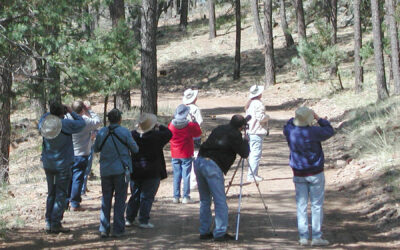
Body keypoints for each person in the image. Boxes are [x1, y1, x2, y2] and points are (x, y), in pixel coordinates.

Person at [283, 107, 334, 246]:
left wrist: (297, 117)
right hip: (316, 172)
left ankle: (303, 237)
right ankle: (317, 236)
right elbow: (330, 130)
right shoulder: (314, 132)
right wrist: (318, 118)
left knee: (301, 205)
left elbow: (287, 124)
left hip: (298, 173)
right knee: (317, 205)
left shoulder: (290, 131)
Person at [194, 115, 250, 241]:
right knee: (220, 201)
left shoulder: (220, 128)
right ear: (241, 127)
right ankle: (220, 232)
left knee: (205, 200)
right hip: (212, 166)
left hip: (200, 161)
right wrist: (246, 141)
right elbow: (245, 153)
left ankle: (204, 231)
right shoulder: (235, 135)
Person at [39, 102, 85, 234]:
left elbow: (43, 118)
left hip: (48, 163)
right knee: (61, 193)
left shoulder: (45, 122)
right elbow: (81, 123)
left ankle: (48, 221)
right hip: (63, 164)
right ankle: (55, 222)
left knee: (51, 193)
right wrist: (71, 111)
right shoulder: (65, 124)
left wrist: (51, 112)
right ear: (63, 113)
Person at [93, 108, 139, 238]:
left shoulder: (102, 132)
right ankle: (118, 229)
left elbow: (96, 148)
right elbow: (135, 149)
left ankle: (104, 228)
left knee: (106, 198)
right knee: (120, 200)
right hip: (121, 170)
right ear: (120, 119)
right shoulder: (124, 132)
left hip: (105, 171)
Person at [125, 113, 172, 229]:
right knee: (147, 196)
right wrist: (159, 126)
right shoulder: (156, 136)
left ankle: (129, 218)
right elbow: (169, 133)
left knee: (135, 195)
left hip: (135, 170)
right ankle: (143, 220)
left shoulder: (133, 135)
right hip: (152, 170)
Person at [67, 100, 101, 211]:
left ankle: (65, 202)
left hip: (69, 153)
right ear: (83, 109)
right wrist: (89, 111)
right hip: (81, 153)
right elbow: (97, 121)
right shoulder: (85, 121)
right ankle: (75, 204)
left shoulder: (67, 119)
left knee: (69, 178)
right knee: (78, 178)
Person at [168, 104, 202, 204]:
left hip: (175, 153)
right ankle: (186, 196)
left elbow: (168, 136)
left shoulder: (171, 125)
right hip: (186, 153)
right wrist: (195, 121)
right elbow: (198, 133)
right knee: (186, 175)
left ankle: (176, 196)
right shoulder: (189, 125)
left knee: (176, 175)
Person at [244, 84, 270, 182]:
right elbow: (261, 118)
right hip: (256, 131)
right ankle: (252, 175)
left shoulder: (250, 103)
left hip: (251, 131)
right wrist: (267, 117)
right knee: (256, 154)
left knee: (253, 153)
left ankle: (252, 174)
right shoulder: (258, 104)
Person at [182, 88, 203, 190]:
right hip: (195, 138)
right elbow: (199, 122)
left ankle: (185, 181)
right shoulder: (195, 109)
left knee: (185, 160)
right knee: (195, 158)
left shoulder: (182, 108)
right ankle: (193, 182)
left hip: (184, 137)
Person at [81, 101, 98, 196]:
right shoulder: (84, 119)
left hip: (90, 145)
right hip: (84, 147)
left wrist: (95, 134)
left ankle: (84, 187)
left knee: (87, 169)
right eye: (88, 109)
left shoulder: (89, 118)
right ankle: (81, 190)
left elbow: (96, 130)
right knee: (84, 169)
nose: (90, 110)